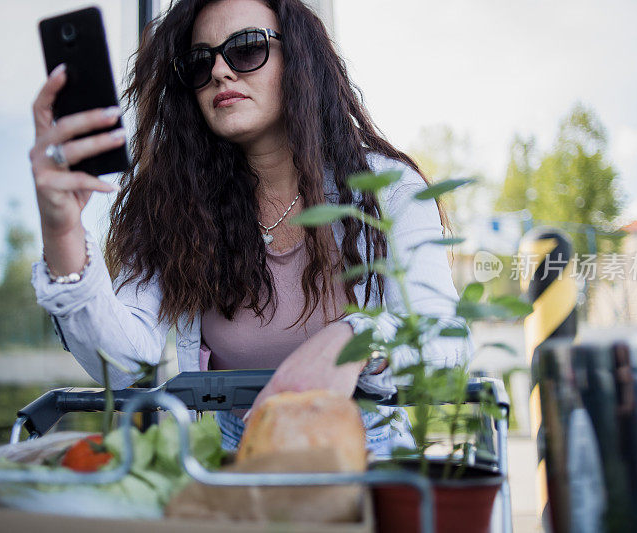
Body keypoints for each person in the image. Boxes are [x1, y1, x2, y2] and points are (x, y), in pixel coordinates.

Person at [29, 0, 472, 455]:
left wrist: (355, 339)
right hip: (228, 457)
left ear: (299, 61)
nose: (220, 71)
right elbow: (121, 365)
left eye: (245, 49)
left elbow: (444, 342)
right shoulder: (175, 202)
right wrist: (62, 231)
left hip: (367, 450)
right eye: (200, 63)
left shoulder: (387, 190)